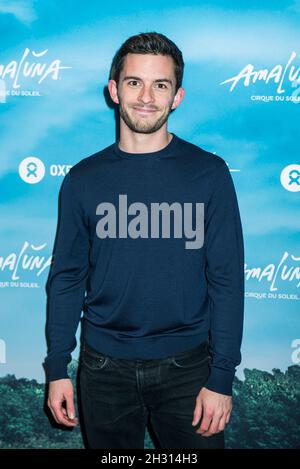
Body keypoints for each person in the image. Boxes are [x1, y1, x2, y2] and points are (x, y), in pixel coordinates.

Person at [45, 32, 244, 449]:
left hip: (189, 369)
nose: (146, 97)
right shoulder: (83, 179)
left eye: (161, 85)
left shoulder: (208, 174)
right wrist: (58, 368)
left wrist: (222, 376)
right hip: (102, 370)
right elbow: (66, 278)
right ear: (115, 91)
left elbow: (227, 281)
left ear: (177, 97)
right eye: (134, 82)